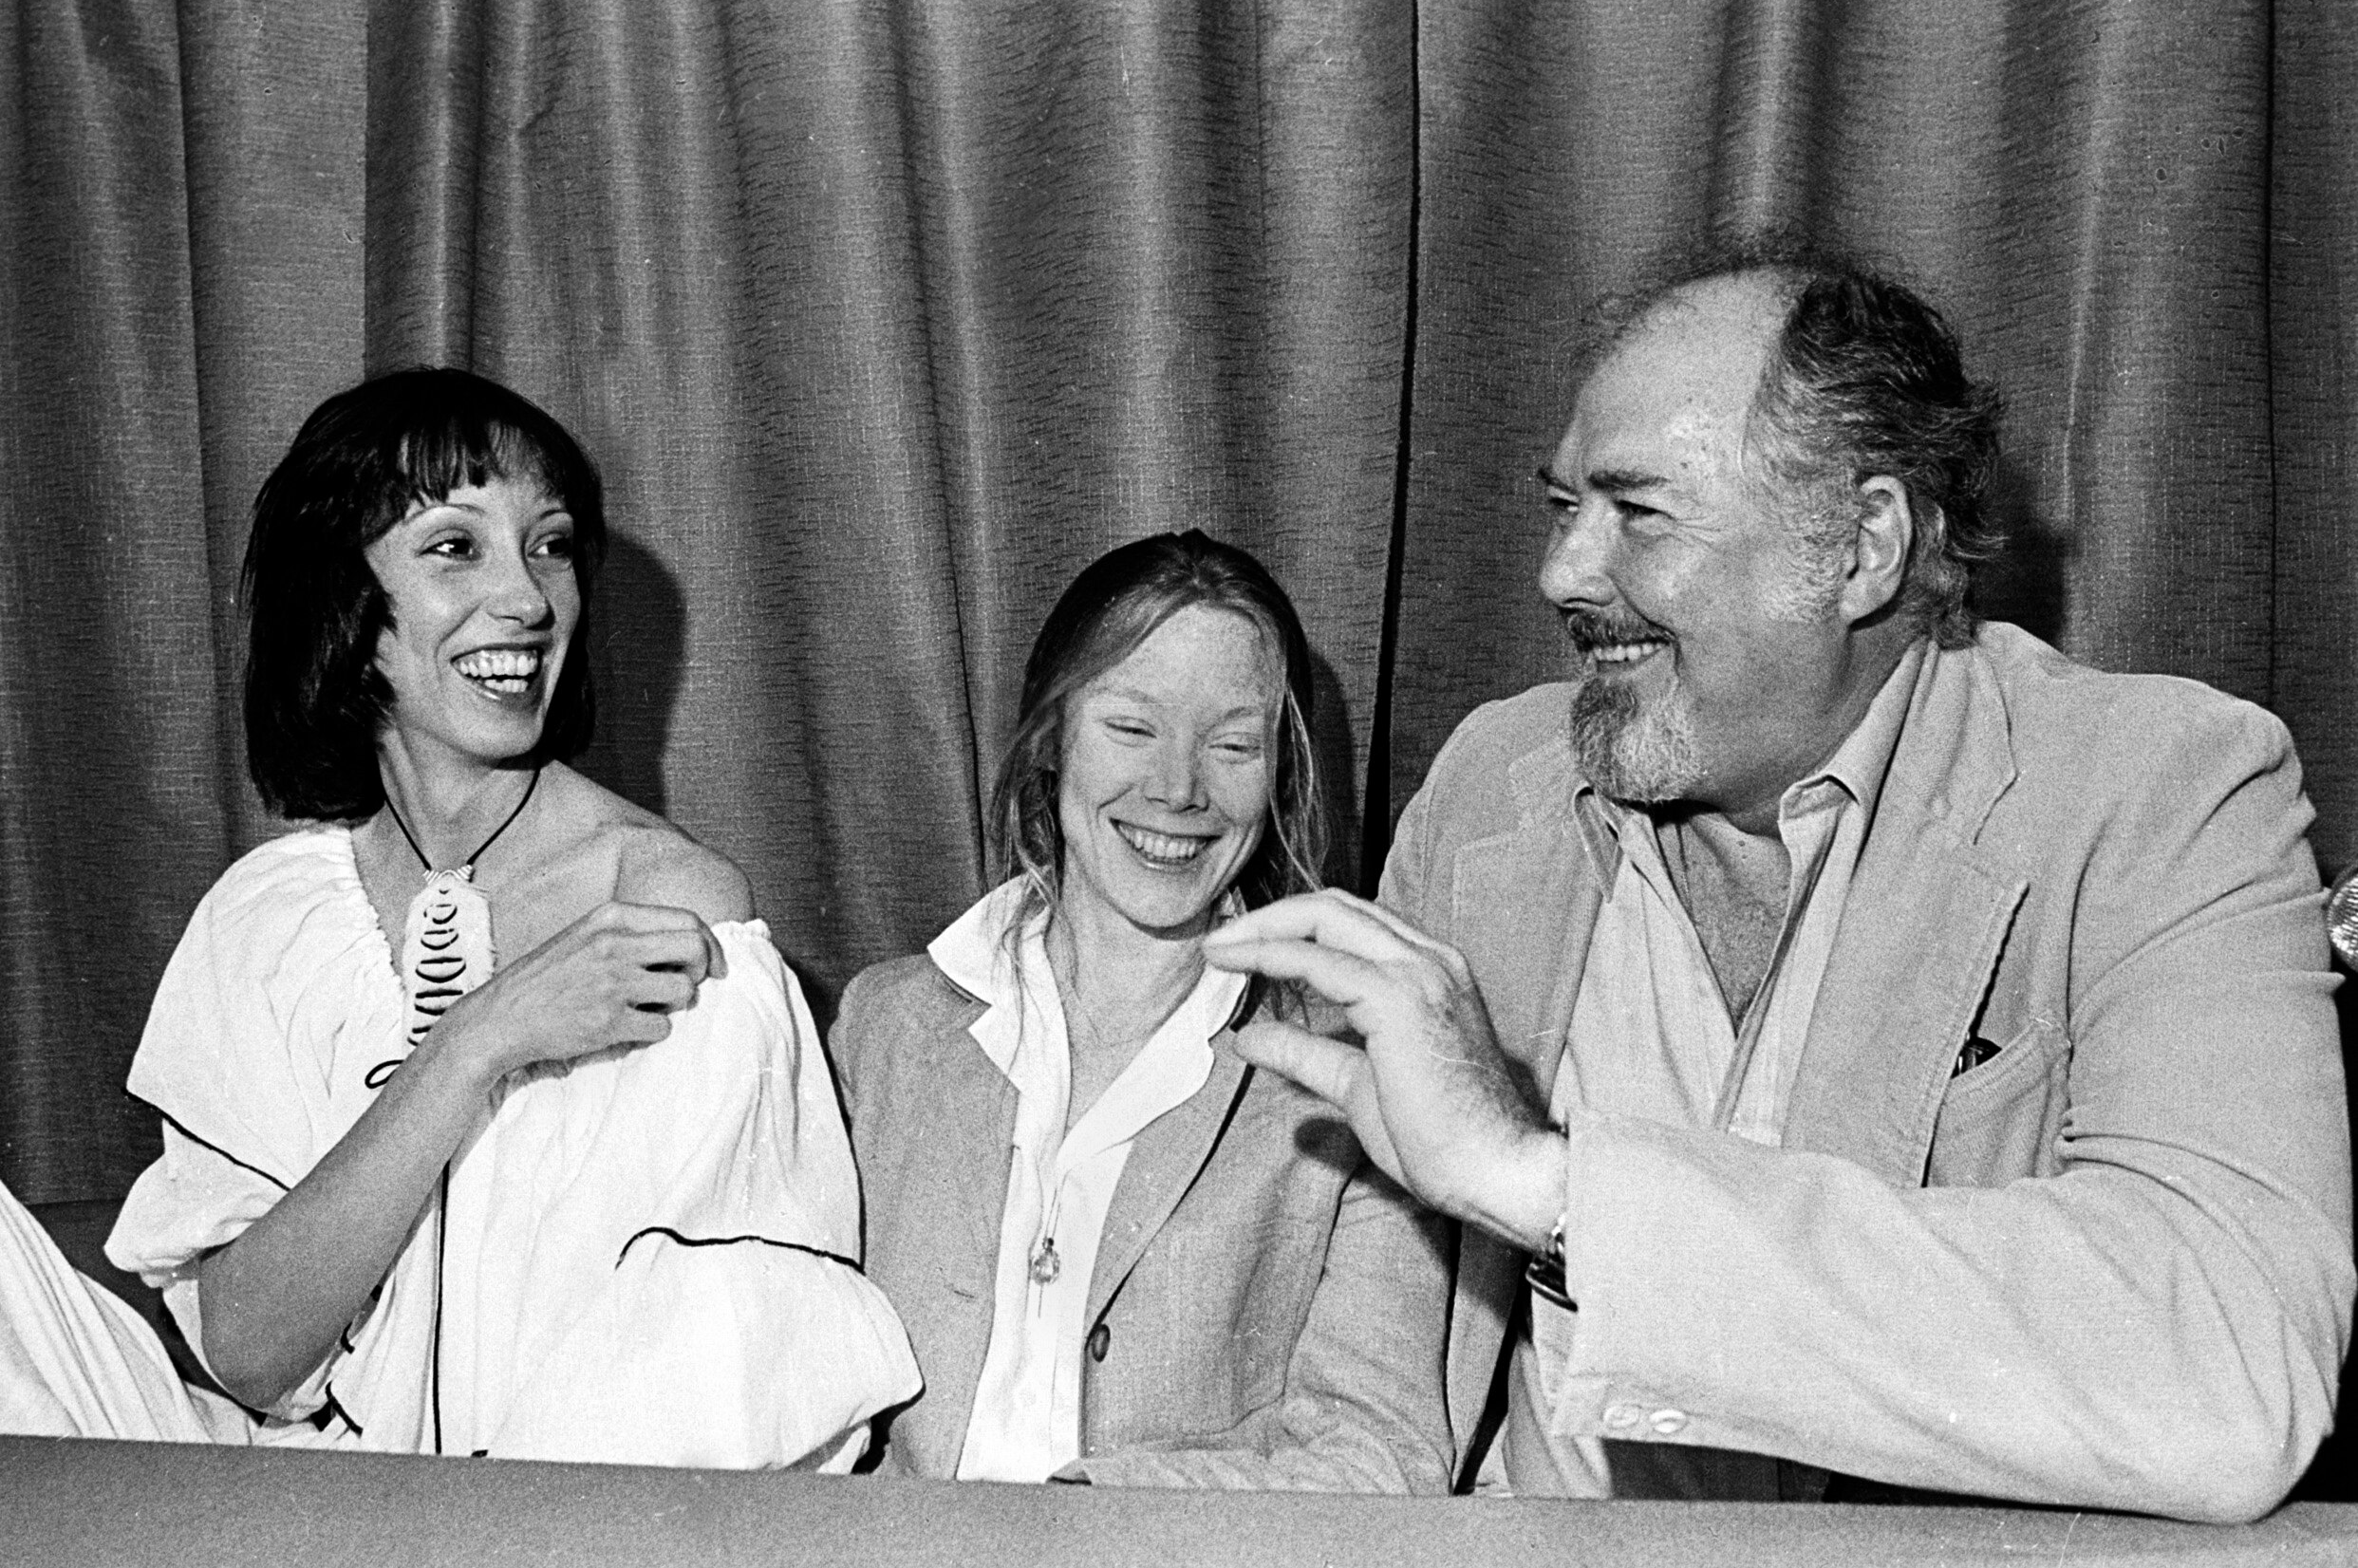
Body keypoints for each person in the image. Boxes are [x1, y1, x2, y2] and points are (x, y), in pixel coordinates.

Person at [1206, 248, 2355, 1521]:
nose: (1563, 574)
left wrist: (1552, 1189)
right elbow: (1371, 1412)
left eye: (1638, 512)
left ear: (1864, 544)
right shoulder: (1496, 784)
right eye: (1563, 506)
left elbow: (2235, 1362)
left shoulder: (2162, 791)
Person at [0, 367, 918, 1465]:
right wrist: (478, 1042)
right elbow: (244, 1353)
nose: (529, 599)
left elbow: (705, 1358)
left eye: (551, 543)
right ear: (347, 604)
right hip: (279, 1483)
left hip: (552, 1505)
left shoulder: (669, 907)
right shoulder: (271, 917)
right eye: (455, 546)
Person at [830, 531, 1452, 1490]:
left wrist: (1089, 1524)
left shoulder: (1354, 1065)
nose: (1177, 787)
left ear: (1281, 771)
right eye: (1131, 727)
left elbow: (1382, 1458)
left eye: (1234, 743)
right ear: (1050, 736)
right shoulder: (884, 1028)